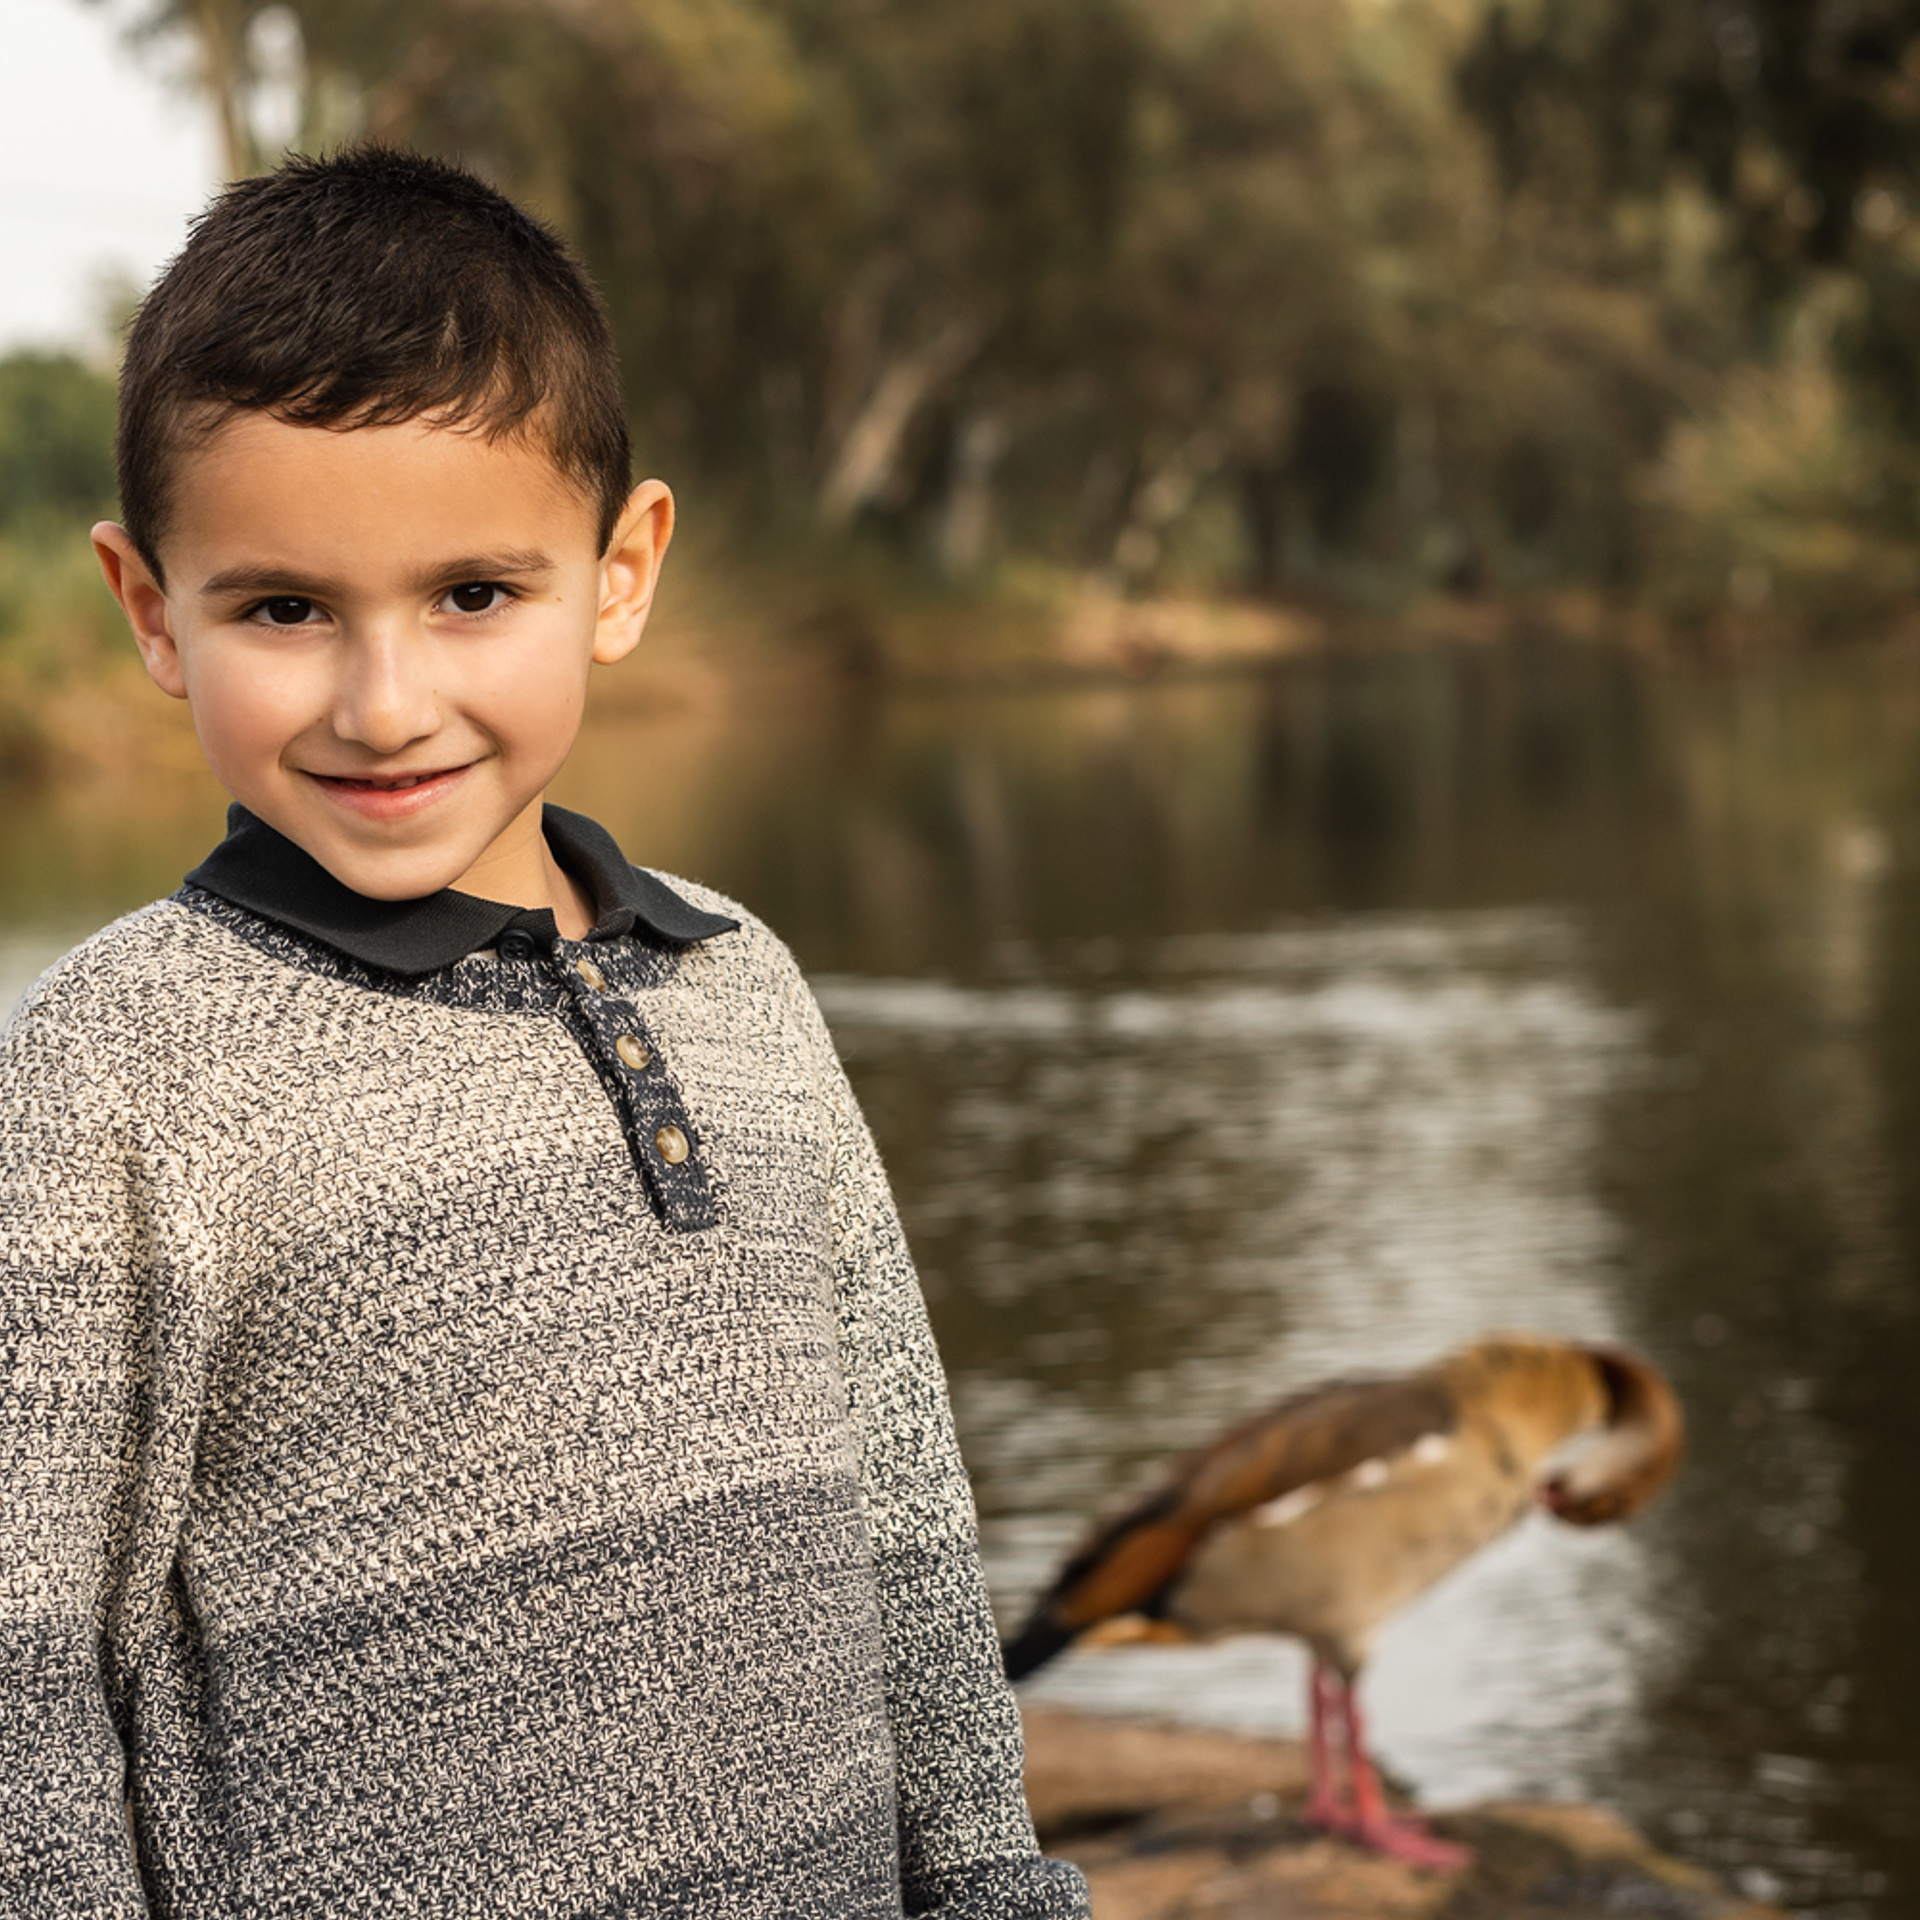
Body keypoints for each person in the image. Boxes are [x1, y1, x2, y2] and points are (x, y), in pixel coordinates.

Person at [0, 144, 1089, 1920]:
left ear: (620, 571)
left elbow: (901, 1513)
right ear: (150, 613)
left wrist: (985, 1882)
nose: (384, 701)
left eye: (473, 595)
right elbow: (23, 1678)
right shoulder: (121, 1066)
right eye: (283, 610)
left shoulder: (744, 980)